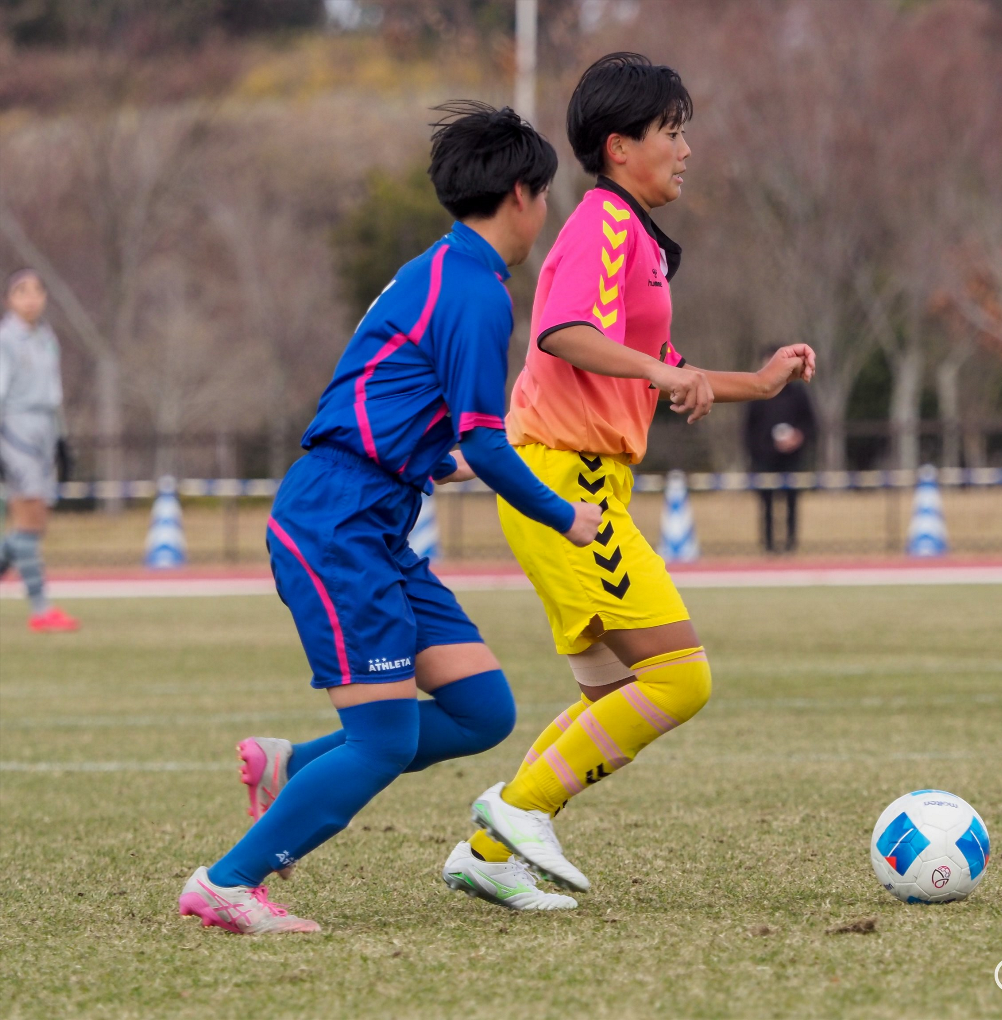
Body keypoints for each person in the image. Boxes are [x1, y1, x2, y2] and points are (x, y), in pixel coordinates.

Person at [180, 102, 603, 935]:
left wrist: (422, 455)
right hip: (337, 522)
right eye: (547, 195)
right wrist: (564, 516)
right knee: (379, 741)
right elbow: (486, 444)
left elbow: (385, 387)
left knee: (482, 708)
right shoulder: (477, 291)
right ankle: (227, 883)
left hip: (372, 517)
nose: (546, 212)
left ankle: (292, 765)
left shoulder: (439, 268)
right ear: (523, 193)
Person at [462, 53, 816, 901]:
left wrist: (755, 384)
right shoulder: (603, 223)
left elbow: (657, 363)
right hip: (564, 482)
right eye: (672, 130)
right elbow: (559, 330)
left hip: (588, 484)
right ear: (620, 146)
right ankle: (520, 808)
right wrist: (661, 378)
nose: (686, 148)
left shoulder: (641, 241)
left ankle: (485, 856)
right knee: (680, 677)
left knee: (614, 692)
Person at [0, 269, 80, 632]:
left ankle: (41, 608)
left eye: (36, 290)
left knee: (35, 523)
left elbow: (55, 393)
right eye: (22, 291)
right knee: (28, 517)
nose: (30, 298)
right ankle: (40, 609)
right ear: (9, 299)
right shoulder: (6, 340)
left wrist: (62, 440)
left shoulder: (46, 338)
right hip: (15, 431)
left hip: (45, 432)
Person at [743, 347, 818, 552]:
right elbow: (748, 429)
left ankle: (791, 545)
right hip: (764, 458)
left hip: (792, 458)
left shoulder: (798, 393)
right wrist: (755, 454)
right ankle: (768, 546)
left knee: (792, 502)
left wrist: (798, 438)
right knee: (766, 504)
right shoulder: (755, 393)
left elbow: (810, 423)